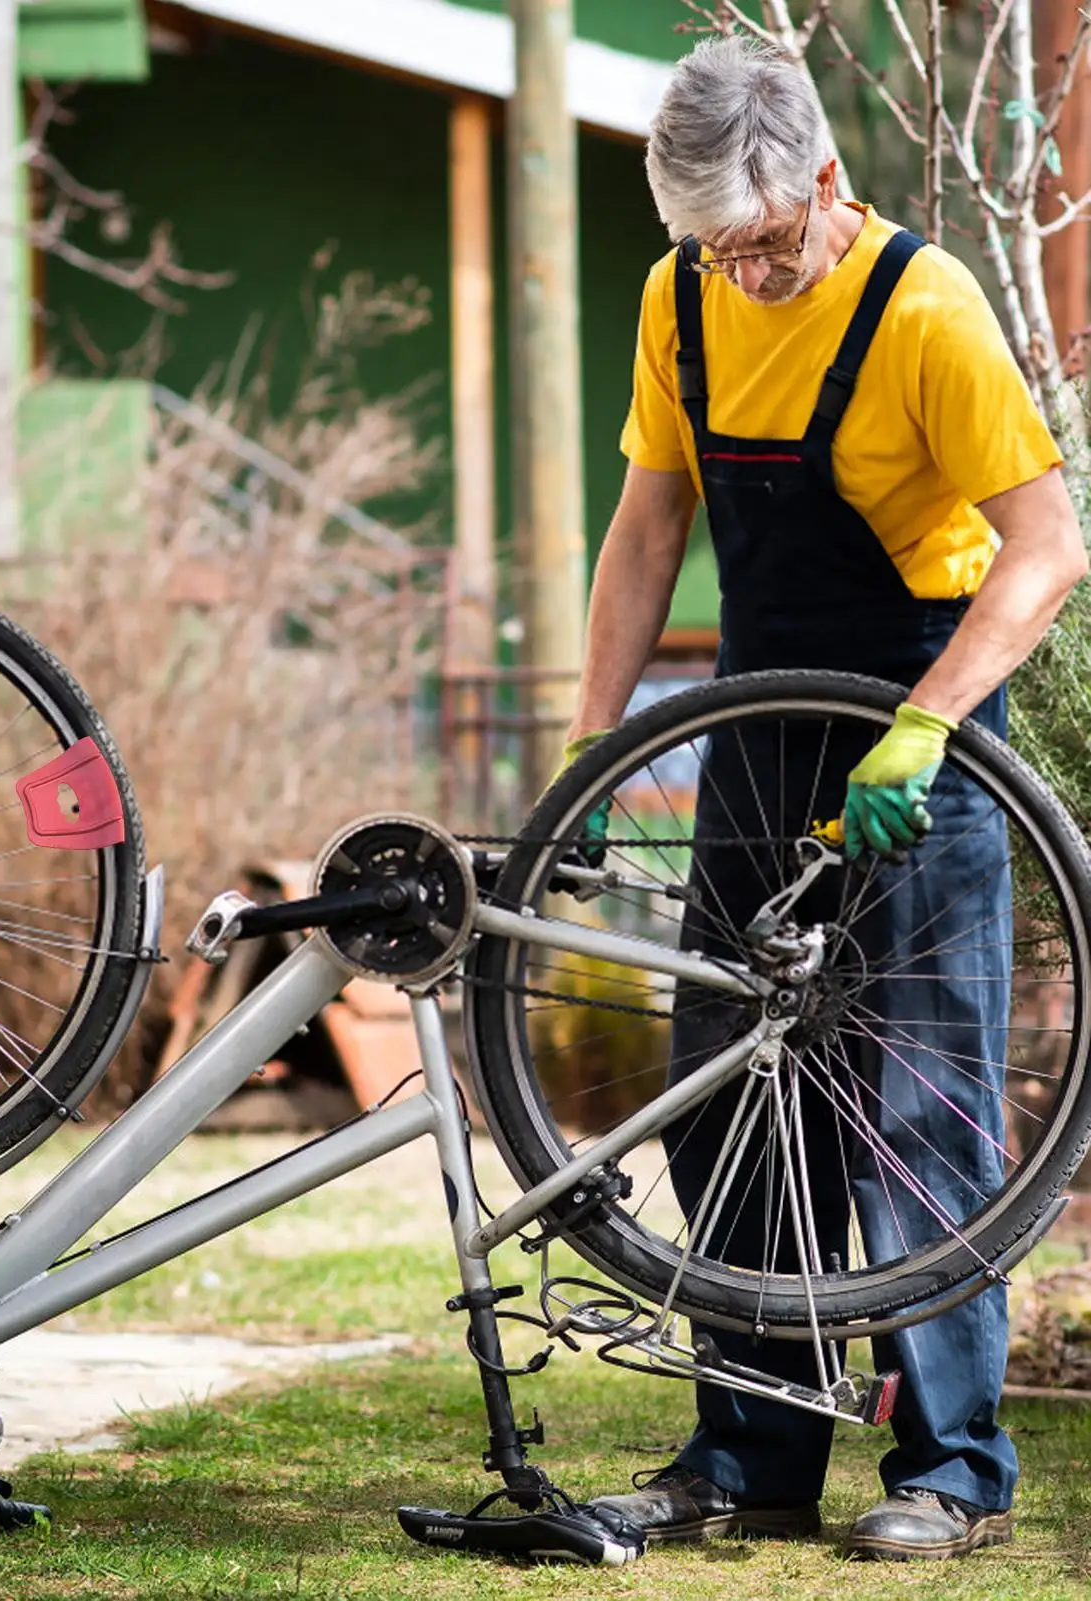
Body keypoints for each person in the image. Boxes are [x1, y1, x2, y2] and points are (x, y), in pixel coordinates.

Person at [574, 37, 1087, 1561]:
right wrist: (593, 752)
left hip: (923, 731)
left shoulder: (924, 309)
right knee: (734, 1092)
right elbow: (646, 524)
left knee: (922, 1104)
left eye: (767, 242)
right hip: (758, 723)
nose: (745, 272)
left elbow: (1046, 547)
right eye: (716, 250)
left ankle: (951, 1470)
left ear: (828, 185)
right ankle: (748, 1454)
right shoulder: (684, 305)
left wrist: (928, 729)